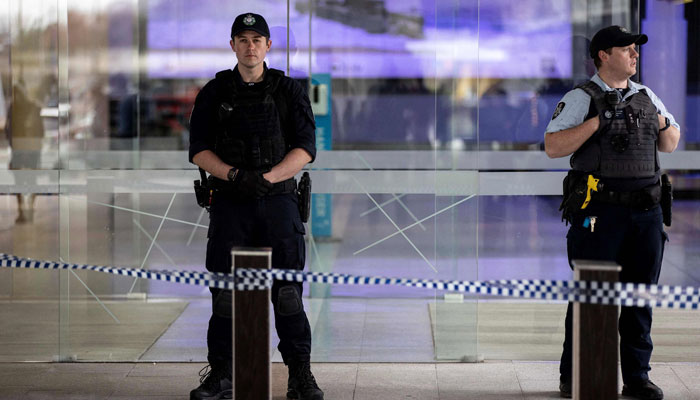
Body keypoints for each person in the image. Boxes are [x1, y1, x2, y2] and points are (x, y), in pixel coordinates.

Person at [188, 12, 323, 400]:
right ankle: (223, 375)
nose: (250, 47)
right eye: (242, 40)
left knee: (287, 294)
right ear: (232, 45)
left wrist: (268, 178)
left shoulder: (288, 90)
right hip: (230, 203)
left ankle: (300, 376)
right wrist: (234, 176)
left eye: (256, 40)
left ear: (267, 46)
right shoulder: (214, 92)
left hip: (279, 202)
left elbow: (306, 149)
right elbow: (199, 150)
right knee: (226, 294)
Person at [544, 26, 680, 400]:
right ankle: (579, 375)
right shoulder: (581, 97)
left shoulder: (646, 95)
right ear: (603, 55)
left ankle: (637, 377)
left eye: (636, 49)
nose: (635, 54)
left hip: (647, 213)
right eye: (627, 49)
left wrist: (659, 120)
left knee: (639, 300)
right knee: (592, 299)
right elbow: (553, 147)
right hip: (599, 215)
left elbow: (670, 144)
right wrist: (598, 121)